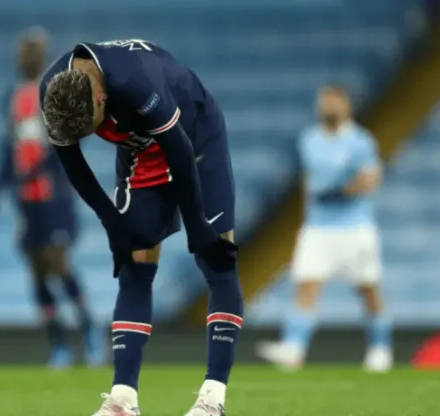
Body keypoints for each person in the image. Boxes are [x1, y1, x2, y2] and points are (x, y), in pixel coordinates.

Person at [40, 39, 243, 416]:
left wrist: (197, 223)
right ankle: (122, 401)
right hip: (140, 151)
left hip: (196, 138)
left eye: (92, 128)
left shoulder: (136, 80)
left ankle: (212, 399)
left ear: (101, 99)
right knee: (134, 263)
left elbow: (179, 150)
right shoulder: (54, 92)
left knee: (217, 257)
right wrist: (110, 221)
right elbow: (73, 164)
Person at [0, 28, 105, 369]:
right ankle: (58, 343)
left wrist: (36, 172)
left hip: (54, 196)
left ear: (43, 56)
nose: (27, 57)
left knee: (58, 262)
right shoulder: (13, 98)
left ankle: (88, 329)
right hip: (26, 199)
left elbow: (67, 142)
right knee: (37, 271)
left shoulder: (56, 91)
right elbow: (9, 149)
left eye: (33, 52)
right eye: (24, 52)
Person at [256, 85, 392, 372]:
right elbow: (310, 180)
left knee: (368, 289)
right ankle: (294, 349)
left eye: (333, 102)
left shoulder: (359, 141)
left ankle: (380, 349)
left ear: (346, 106)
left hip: (354, 228)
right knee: (306, 284)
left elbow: (371, 178)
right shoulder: (310, 139)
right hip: (318, 228)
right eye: (324, 102)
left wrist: (343, 190)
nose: (328, 107)